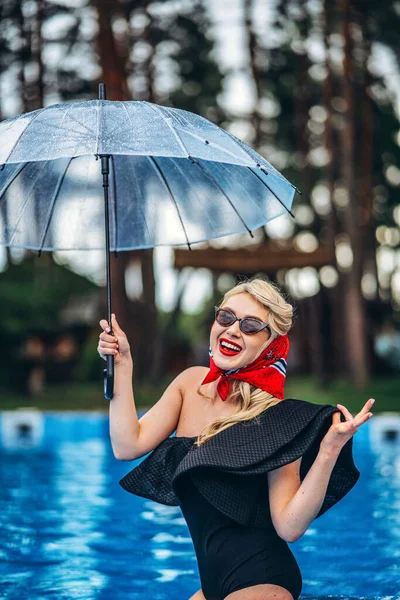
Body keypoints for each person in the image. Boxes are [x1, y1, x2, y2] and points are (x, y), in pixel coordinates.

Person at [97, 277, 374, 600]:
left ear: (271, 344)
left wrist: (328, 452)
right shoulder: (191, 384)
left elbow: (289, 526)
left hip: (262, 581)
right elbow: (127, 445)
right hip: (211, 587)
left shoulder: (277, 419)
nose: (232, 329)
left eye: (251, 325)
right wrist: (123, 365)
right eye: (226, 317)